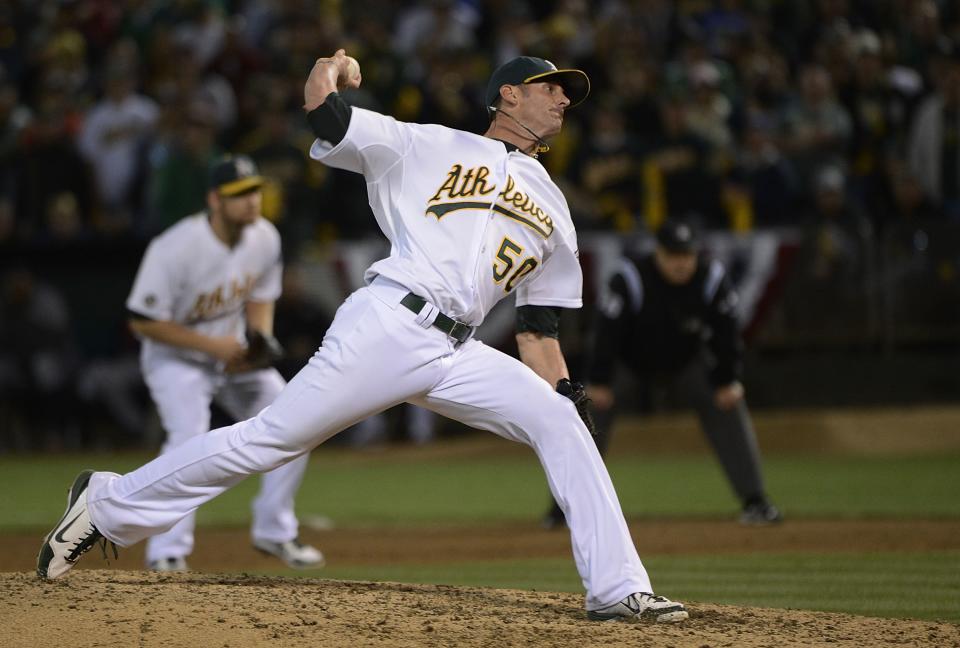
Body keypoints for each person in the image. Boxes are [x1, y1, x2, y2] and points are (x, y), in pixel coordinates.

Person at [37, 50, 688, 624]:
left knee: (559, 420)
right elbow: (325, 114)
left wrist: (563, 390)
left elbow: (538, 328)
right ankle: (105, 501)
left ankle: (617, 590)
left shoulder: (555, 209)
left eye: (569, 93)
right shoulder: (426, 144)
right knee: (270, 440)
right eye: (552, 86)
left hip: (457, 351)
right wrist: (332, 66)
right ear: (509, 95)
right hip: (388, 324)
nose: (564, 98)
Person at [121, 154, 323, 571]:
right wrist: (214, 348)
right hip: (176, 360)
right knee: (187, 438)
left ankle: (275, 531)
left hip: (232, 357)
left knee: (296, 416)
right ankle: (167, 552)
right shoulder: (175, 247)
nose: (251, 201)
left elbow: (261, 297)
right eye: (239, 194)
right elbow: (142, 322)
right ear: (214, 199)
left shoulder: (264, 236)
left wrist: (259, 341)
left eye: (254, 191)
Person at [542, 220, 781, 529]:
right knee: (586, 412)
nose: (681, 262)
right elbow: (606, 334)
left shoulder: (711, 277)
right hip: (629, 363)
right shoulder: (631, 278)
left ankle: (755, 501)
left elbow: (726, 333)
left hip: (686, 363)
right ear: (659, 254)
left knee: (728, 404)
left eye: (687, 254)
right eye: (673, 255)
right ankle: (564, 508)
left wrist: (727, 380)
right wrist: (599, 380)